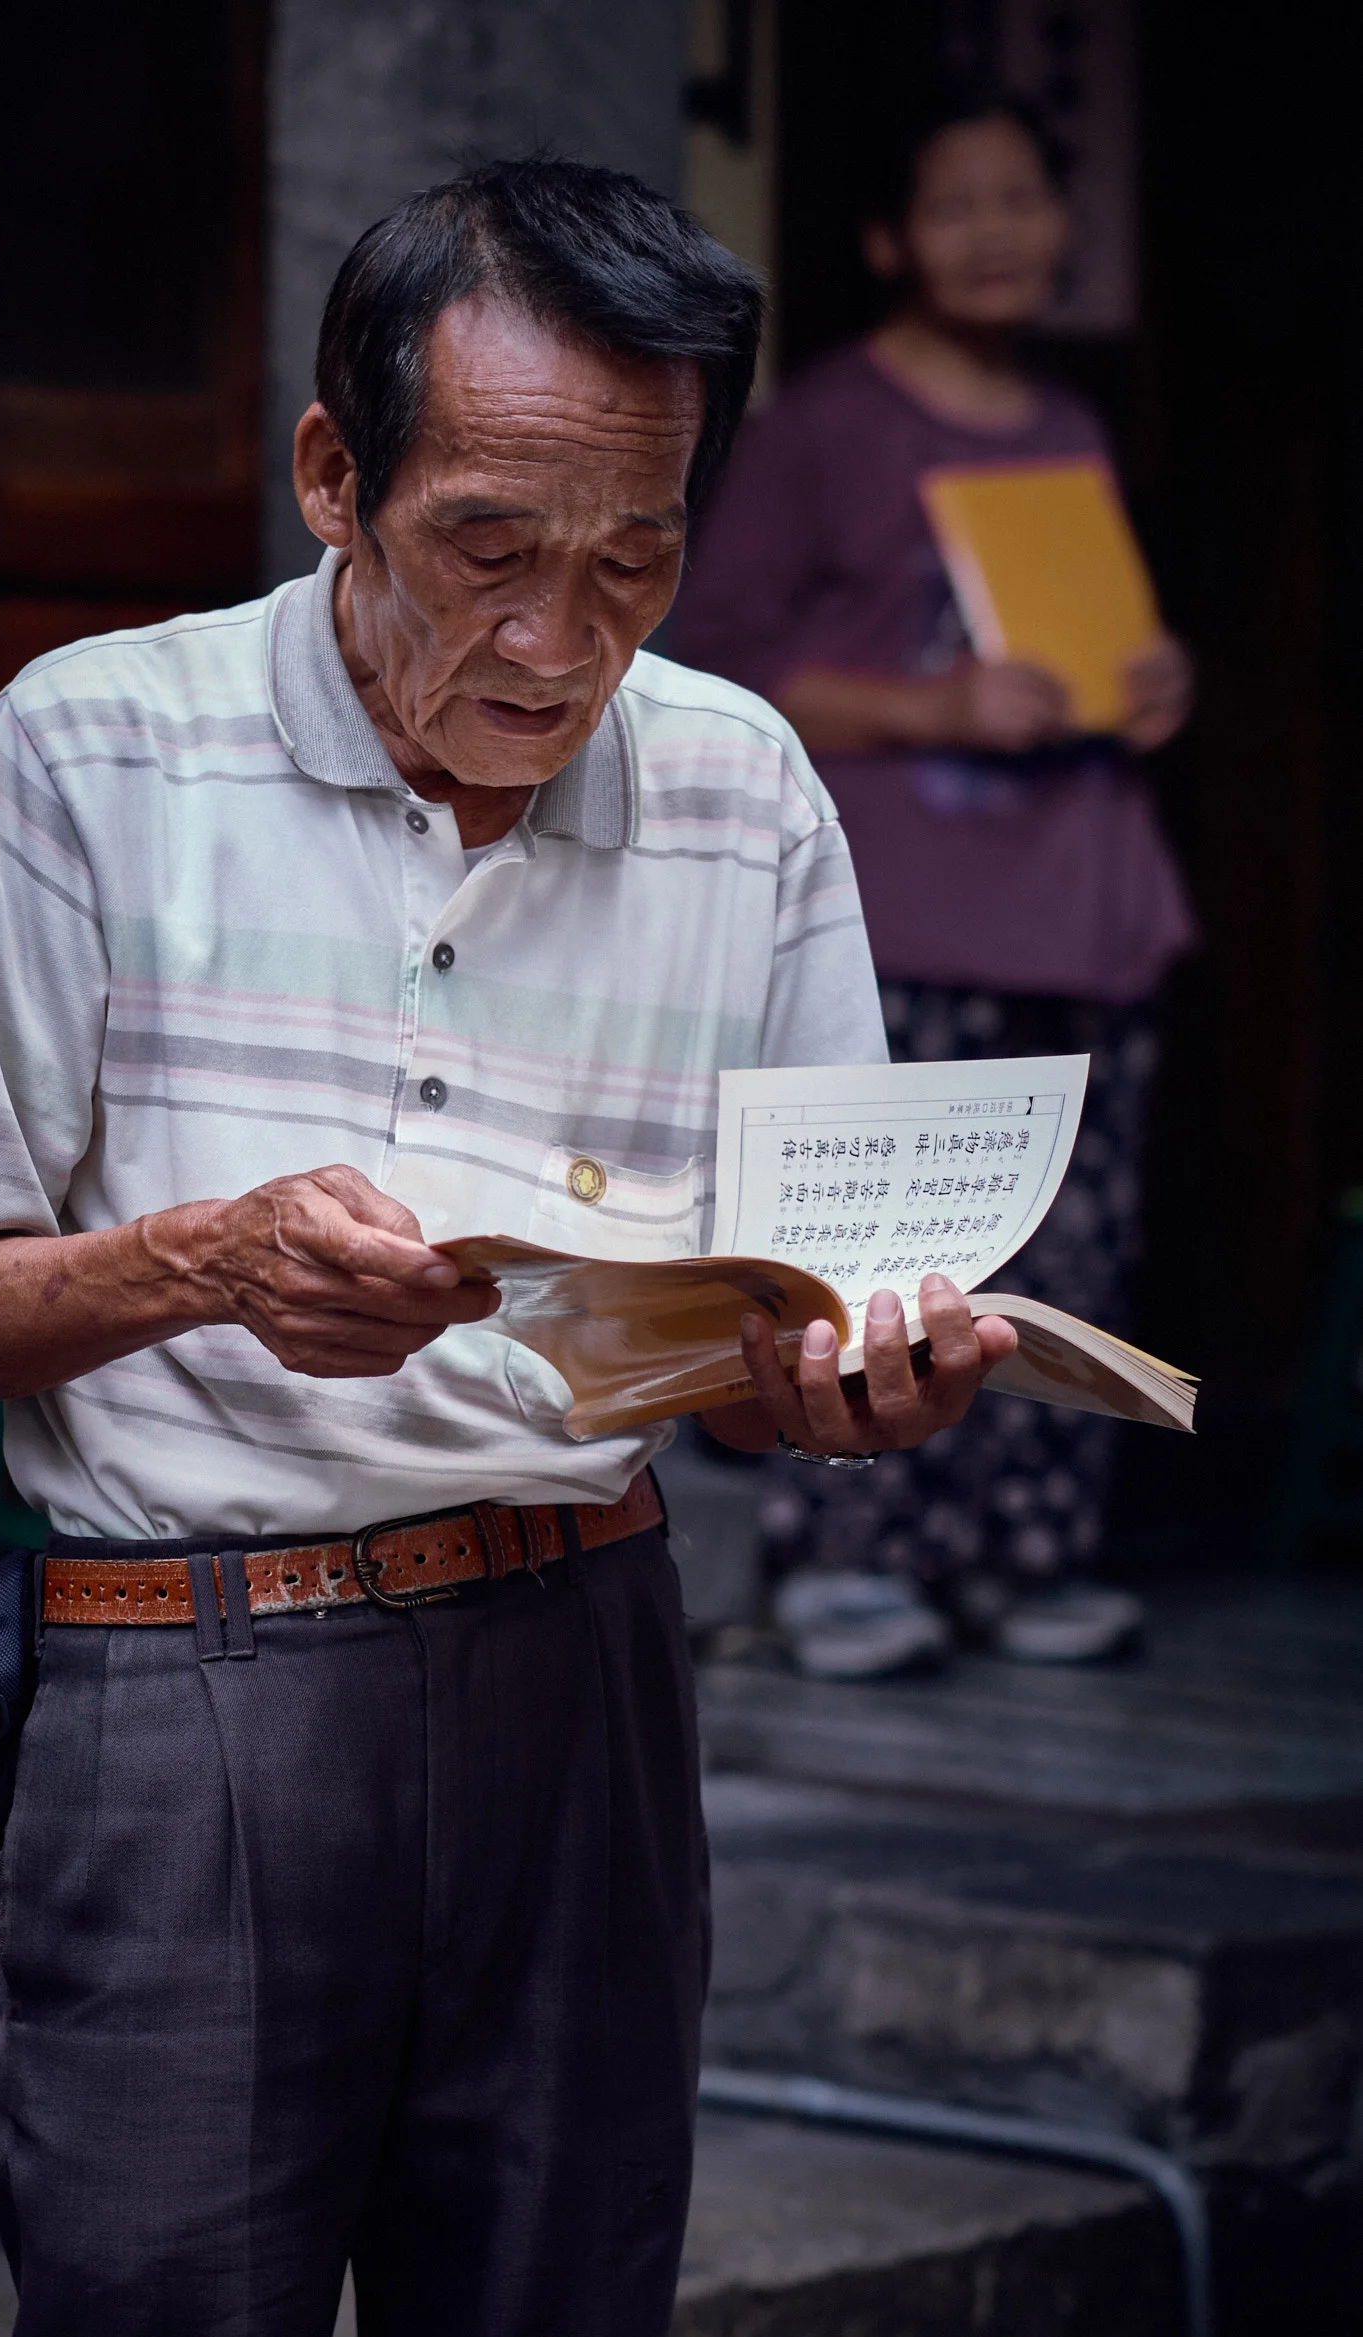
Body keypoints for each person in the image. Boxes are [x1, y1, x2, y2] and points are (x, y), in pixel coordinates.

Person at [0, 162, 1016, 2337]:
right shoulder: (94, 748)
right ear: (330, 477)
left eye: (633, 559)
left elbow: (797, 1324)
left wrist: (842, 1384)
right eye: (486, 546)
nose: (560, 642)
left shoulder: (747, 792)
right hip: (194, 1690)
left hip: (581, 1669)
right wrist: (207, 1258)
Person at [673, 92, 1197, 1678]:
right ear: (888, 240)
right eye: (954, 203)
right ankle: (849, 1557)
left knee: (1069, 1255)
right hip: (905, 900)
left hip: (1078, 896)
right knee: (879, 1249)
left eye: (1022, 199)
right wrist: (933, 711)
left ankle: (1029, 1561)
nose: (996, 232)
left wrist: (1150, 680)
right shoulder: (824, 424)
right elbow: (721, 661)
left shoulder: (1069, 428)